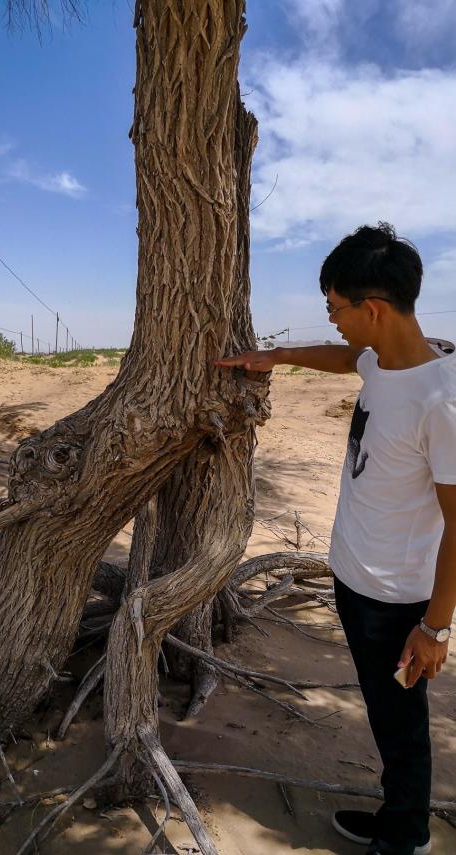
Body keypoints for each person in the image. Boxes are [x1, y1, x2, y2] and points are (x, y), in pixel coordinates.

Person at [216, 223, 456, 855]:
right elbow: (349, 358)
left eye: (335, 309)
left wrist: (434, 627)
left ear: (372, 308)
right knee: (384, 713)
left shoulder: (443, 401)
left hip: (397, 603)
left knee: (400, 722)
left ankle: (405, 837)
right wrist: (275, 359)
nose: (334, 321)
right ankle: (398, 817)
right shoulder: (382, 357)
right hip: (353, 579)